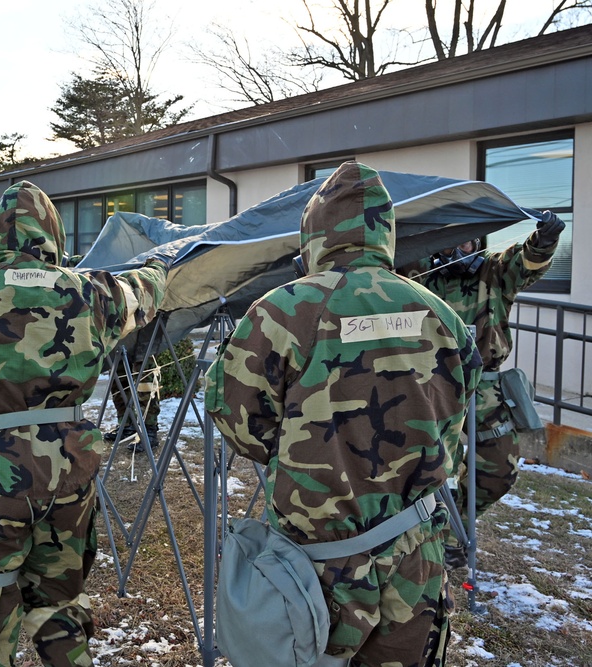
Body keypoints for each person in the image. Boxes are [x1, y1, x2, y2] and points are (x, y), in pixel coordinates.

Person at [205, 161, 481, 666]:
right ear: (385, 232)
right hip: (415, 552)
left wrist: (304, 450)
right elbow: (455, 415)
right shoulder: (441, 315)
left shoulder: (281, 310)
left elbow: (235, 417)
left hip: (319, 565)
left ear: (314, 233)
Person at [0, 180, 169, 667]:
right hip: (66, 476)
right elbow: (147, 291)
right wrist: (157, 266)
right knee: (59, 603)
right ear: (54, 237)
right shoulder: (95, 293)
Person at [410, 211, 565, 569]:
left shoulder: (493, 273)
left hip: (483, 387)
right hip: (428, 385)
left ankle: (455, 525)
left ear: (477, 244)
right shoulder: (418, 277)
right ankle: (429, 539)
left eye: (466, 242)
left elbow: (527, 262)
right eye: (449, 243)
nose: (458, 249)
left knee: (497, 470)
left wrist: (544, 239)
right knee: (421, 467)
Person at [103, 328, 162, 452]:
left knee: (144, 379)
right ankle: (127, 425)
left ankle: (149, 430)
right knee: (118, 375)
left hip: (147, 324)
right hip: (123, 324)